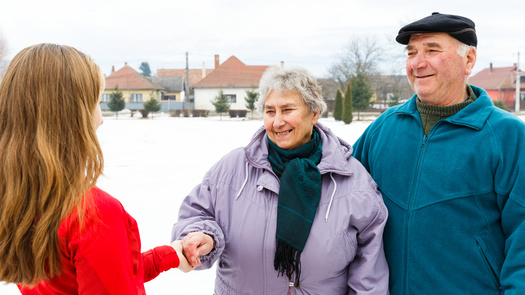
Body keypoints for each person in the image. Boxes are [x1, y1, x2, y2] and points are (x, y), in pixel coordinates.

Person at [172, 65, 389, 294]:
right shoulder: (233, 169)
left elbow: (369, 274)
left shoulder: (352, 180)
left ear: (314, 113)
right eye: (269, 111)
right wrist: (204, 236)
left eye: (287, 110)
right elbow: (196, 214)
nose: (277, 122)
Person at [352, 12, 525, 294]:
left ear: (468, 60)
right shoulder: (384, 128)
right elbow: (340, 192)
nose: (417, 63)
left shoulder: (507, 135)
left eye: (432, 50)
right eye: (412, 53)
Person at [0, 43, 192, 294]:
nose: (101, 119)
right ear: (71, 115)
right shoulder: (93, 215)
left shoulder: (17, 195)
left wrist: (170, 255)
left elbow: (93, 273)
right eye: (97, 102)